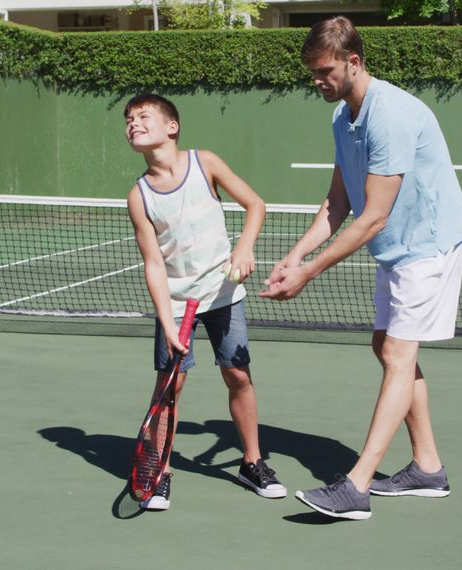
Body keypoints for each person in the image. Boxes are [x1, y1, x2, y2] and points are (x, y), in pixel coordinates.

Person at [259, 17, 462, 520]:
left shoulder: (392, 115)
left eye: (325, 71)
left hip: (428, 245)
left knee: (398, 352)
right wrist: (295, 254)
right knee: (386, 346)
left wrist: (310, 273)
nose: (317, 81)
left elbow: (373, 215)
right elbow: (338, 204)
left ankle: (356, 486)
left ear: (353, 62)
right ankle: (427, 467)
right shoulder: (342, 118)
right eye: (312, 72)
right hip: (397, 248)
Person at [124, 93, 286, 510]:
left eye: (143, 117)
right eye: (128, 120)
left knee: (238, 376)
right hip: (176, 305)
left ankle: (252, 463)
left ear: (171, 127)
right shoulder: (139, 196)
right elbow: (154, 265)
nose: (133, 124)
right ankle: (159, 471)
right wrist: (166, 318)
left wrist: (244, 248)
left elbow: (255, 204)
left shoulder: (205, 163)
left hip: (223, 295)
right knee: (169, 386)